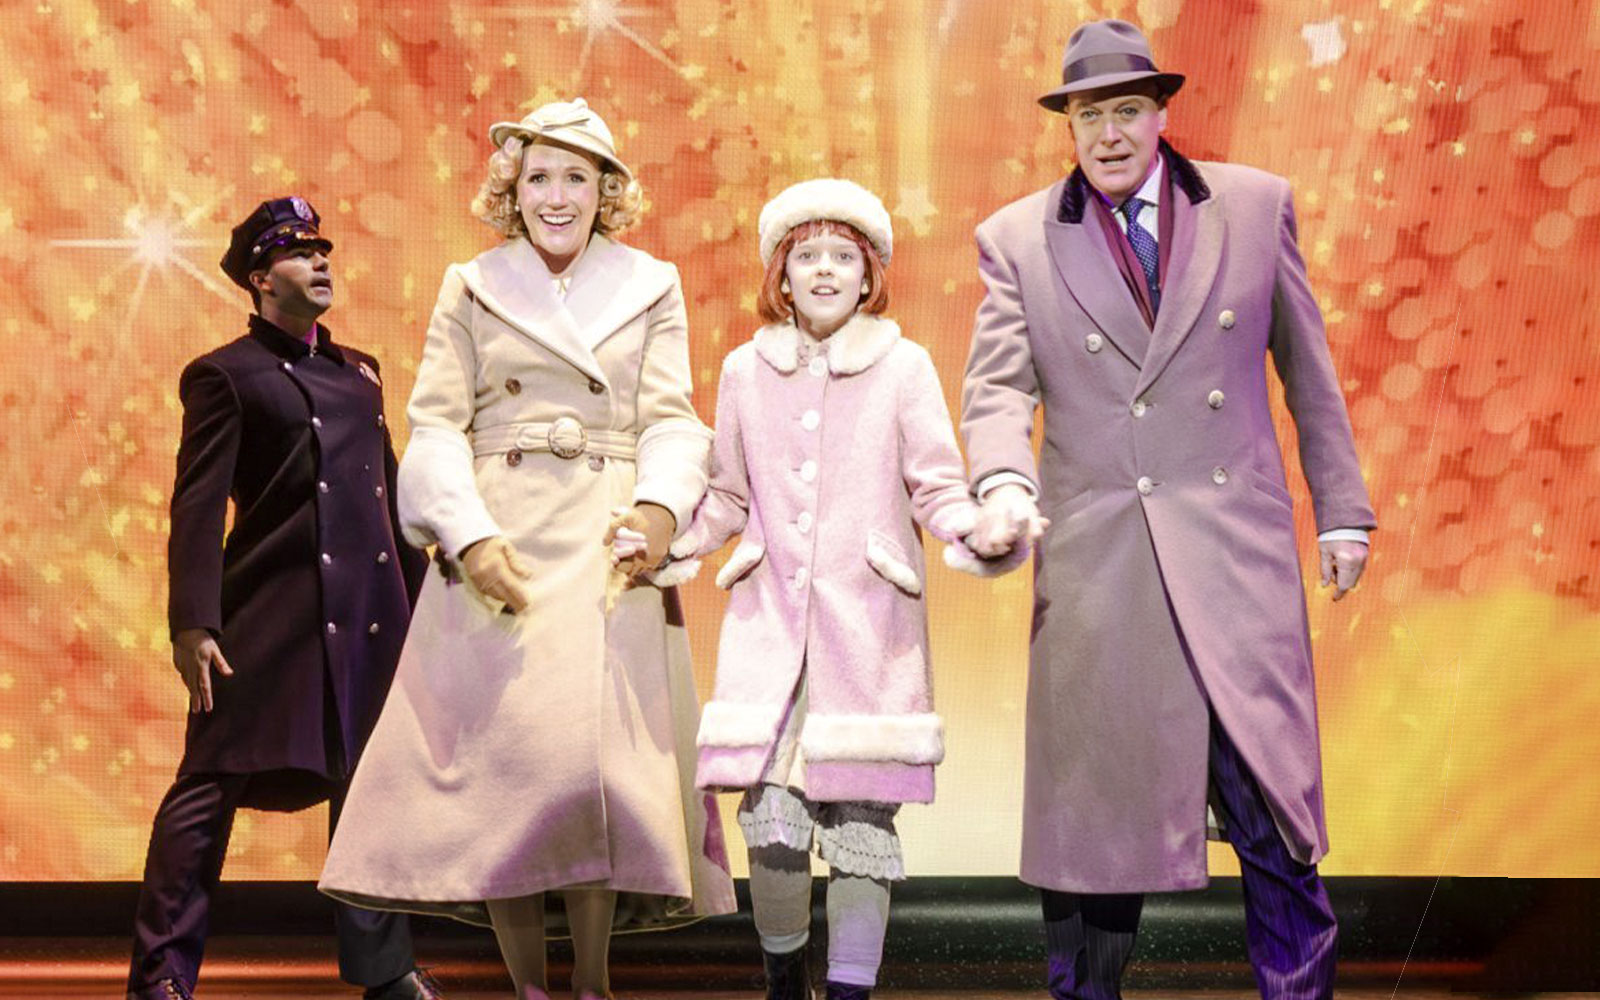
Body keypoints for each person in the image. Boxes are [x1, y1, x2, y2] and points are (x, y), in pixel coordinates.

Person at [959, 19, 1377, 1000]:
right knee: (1096, 840)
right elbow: (993, 389)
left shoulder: (1252, 205)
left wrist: (1343, 512)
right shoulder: (1017, 239)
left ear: (1160, 114)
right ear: (1068, 124)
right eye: (1089, 114)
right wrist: (1001, 482)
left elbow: (1307, 373)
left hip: (1232, 560)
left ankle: (1299, 992)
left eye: (1127, 111)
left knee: (1271, 812)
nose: (1108, 133)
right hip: (1102, 567)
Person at [318, 98, 735, 1000]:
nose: (556, 196)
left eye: (576, 178)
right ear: (514, 186)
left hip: (605, 544)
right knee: (508, 782)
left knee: (585, 777)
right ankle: (529, 990)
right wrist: (467, 539)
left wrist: (660, 514)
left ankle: (591, 982)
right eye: (539, 176)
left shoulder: (651, 283)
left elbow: (672, 420)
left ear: (605, 192)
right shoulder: (472, 284)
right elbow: (433, 427)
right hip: (499, 540)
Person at [665, 178, 978, 1000]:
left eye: (845, 257)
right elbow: (727, 494)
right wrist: (677, 543)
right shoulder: (744, 369)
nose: (827, 272)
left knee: (861, 822)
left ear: (870, 273)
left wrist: (970, 529)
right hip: (771, 629)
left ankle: (849, 990)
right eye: (809, 257)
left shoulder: (903, 366)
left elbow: (937, 483)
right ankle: (782, 979)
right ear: (782, 273)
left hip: (868, 630)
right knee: (772, 824)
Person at [128, 197, 437, 1000]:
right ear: (261, 279)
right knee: (208, 788)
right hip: (272, 617)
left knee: (373, 797)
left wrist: (433, 602)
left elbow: (386, 495)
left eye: (324, 250)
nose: (322, 262)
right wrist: (193, 622)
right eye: (300, 254)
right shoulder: (225, 375)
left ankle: (386, 969)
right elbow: (197, 506)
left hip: (369, 616)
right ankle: (162, 974)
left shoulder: (360, 371)